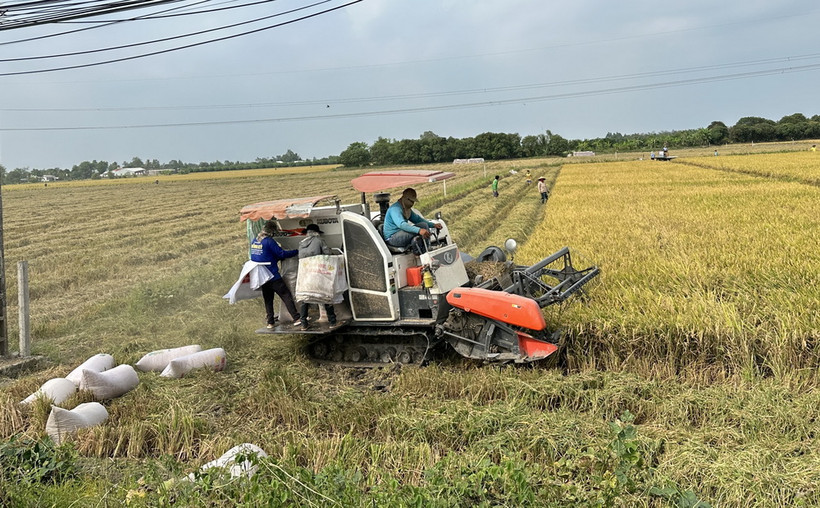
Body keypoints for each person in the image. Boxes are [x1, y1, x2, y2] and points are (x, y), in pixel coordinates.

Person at [250, 220, 300, 328]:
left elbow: (260, 256)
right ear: (272, 231)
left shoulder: (255, 241)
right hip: (272, 275)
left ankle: (270, 322)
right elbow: (281, 253)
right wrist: (296, 251)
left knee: (268, 300)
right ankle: (296, 318)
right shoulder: (269, 241)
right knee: (286, 295)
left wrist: (274, 258)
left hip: (262, 276)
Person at [297, 224, 337, 331]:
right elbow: (327, 254)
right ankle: (332, 322)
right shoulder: (319, 241)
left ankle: (304, 323)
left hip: (305, 273)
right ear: (316, 233)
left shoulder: (301, 244)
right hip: (318, 273)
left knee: (305, 297)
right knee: (325, 295)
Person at [382, 188, 442, 254]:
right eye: (411, 201)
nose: (412, 204)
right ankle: (420, 253)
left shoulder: (406, 209)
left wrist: (433, 225)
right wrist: (419, 230)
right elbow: (402, 224)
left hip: (401, 234)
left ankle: (426, 249)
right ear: (405, 198)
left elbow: (418, 219)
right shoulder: (395, 209)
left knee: (424, 225)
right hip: (392, 238)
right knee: (418, 231)